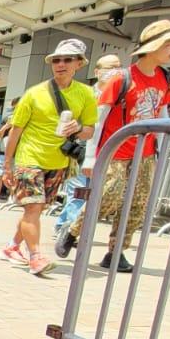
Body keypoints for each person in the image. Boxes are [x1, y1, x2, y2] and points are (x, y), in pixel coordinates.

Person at [81, 23, 170, 272]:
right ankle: (74, 229)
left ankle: (116, 251)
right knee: (108, 196)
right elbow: (99, 119)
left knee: (137, 204)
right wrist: (90, 156)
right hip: (116, 149)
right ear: (153, 48)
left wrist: (162, 147)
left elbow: (162, 114)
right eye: (168, 44)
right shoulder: (122, 78)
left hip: (145, 152)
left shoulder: (165, 79)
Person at [1, 39, 97, 276]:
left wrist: (77, 128)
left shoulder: (85, 94)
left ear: (79, 64)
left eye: (67, 60)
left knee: (35, 210)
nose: (61, 64)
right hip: (29, 158)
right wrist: (7, 165)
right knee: (33, 207)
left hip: (59, 161)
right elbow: (16, 131)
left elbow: (90, 130)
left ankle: (13, 246)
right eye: (56, 60)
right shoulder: (34, 94)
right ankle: (36, 257)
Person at [52, 53, 122, 257]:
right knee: (80, 192)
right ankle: (69, 229)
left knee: (89, 194)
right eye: (109, 67)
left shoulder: (119, 96)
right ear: (97, 71)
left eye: (117, 67)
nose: (114, 72)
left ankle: (64, 224)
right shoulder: (85, 95)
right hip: (80, 153)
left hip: (105, 154)